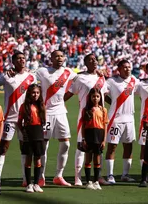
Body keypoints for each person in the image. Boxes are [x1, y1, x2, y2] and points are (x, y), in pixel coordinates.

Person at [64, 54, 108, 186]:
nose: (94, 61)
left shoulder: (101, 77)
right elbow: (69, 93)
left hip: (100, 117)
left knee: (98, 147)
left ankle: (97, 177)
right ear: (85, 63)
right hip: (85, 117)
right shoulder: (80, 77)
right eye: (90, 60)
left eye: (95, 59)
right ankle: (78, 177)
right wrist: (56, 104)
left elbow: (104, 96)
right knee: (82, 146)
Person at [0, 52, 37, 187]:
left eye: (24, 58)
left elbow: (36, 96)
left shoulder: (31, 77)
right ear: (13, 61)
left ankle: (26, 179)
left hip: (26, 119)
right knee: (4, 147)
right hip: (9, 118)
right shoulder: (6, 75)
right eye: (18, 58)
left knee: (25, 147)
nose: (22, 60)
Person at [36, 50, 76, 186]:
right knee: (43, 145)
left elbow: (83, 77)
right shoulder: (42, 71)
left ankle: (59, 176)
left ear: (64, 58)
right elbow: (27, 77)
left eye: (61, 56)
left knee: (66, 143)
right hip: (46, 113)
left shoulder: (69, 72)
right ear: (51, 58)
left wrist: (99, 73)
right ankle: (41, 176)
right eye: (56, 56)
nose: (59, 58)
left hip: (61, 112)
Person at [105, 59, 140, 184]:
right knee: (112, 146)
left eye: (129, 67)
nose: (128, 69)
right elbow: (101, 92)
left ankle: (125, 174)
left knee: (128, 146)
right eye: (124, 67)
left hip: (130, 119)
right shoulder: (112, 81)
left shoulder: (134, 80)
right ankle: (110, 175)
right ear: (119, 69)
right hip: (116, 119)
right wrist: (113, 103)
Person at [17, 84, 46, 193]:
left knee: (38, 159)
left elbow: (44, 121)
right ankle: (28, 184)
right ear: (29, 93)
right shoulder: (24, 106)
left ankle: (36, 184)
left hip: (39, 133)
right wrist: (24, 131)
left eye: (37, 93)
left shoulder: (42, 106)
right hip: (28, 134)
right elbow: (19, 122)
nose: (35, 95)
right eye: (33, 92)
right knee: (29, 159)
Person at [81, 88, 108, 190]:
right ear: (90, 97)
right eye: (93, 96)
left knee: (97, 159)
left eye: (97, 96)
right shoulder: (86, 110)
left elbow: (105, 126)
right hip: (89, 134)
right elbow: (83, 126)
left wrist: (104, 140)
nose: (95, 98)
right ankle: (88, 182)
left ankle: (96, 181)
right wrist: (83, 138)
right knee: (88, 158)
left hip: (99, 135)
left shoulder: (103, 110)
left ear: (100, 97)